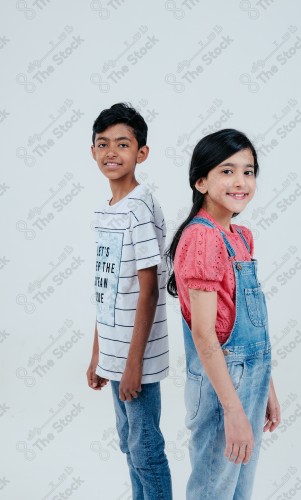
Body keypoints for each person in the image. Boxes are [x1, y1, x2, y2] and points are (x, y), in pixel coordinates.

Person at [167, 129, 280, 499]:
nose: (241, 182)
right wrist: (233, 411)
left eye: (249, 171)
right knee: (213, 489)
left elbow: (252, 327)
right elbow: (203, 334)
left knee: (237, 490)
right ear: (201, 181)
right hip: (222, 387)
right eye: (227, 171)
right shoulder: (202, 238)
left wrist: (266, 388)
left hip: (249, 379)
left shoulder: (240, 236)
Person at [86, 103, 172, 500]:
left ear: (142, 153)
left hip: (137, 357)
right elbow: (106, 289)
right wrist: (99, 354)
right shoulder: (108, 210)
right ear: (92, 151)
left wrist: (133, 364)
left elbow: (150, 287)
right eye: (103, 144)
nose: (111, 153)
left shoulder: (138, 207)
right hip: (117, 354)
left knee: (146, 451)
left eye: (122, 144)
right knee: (129, 446)